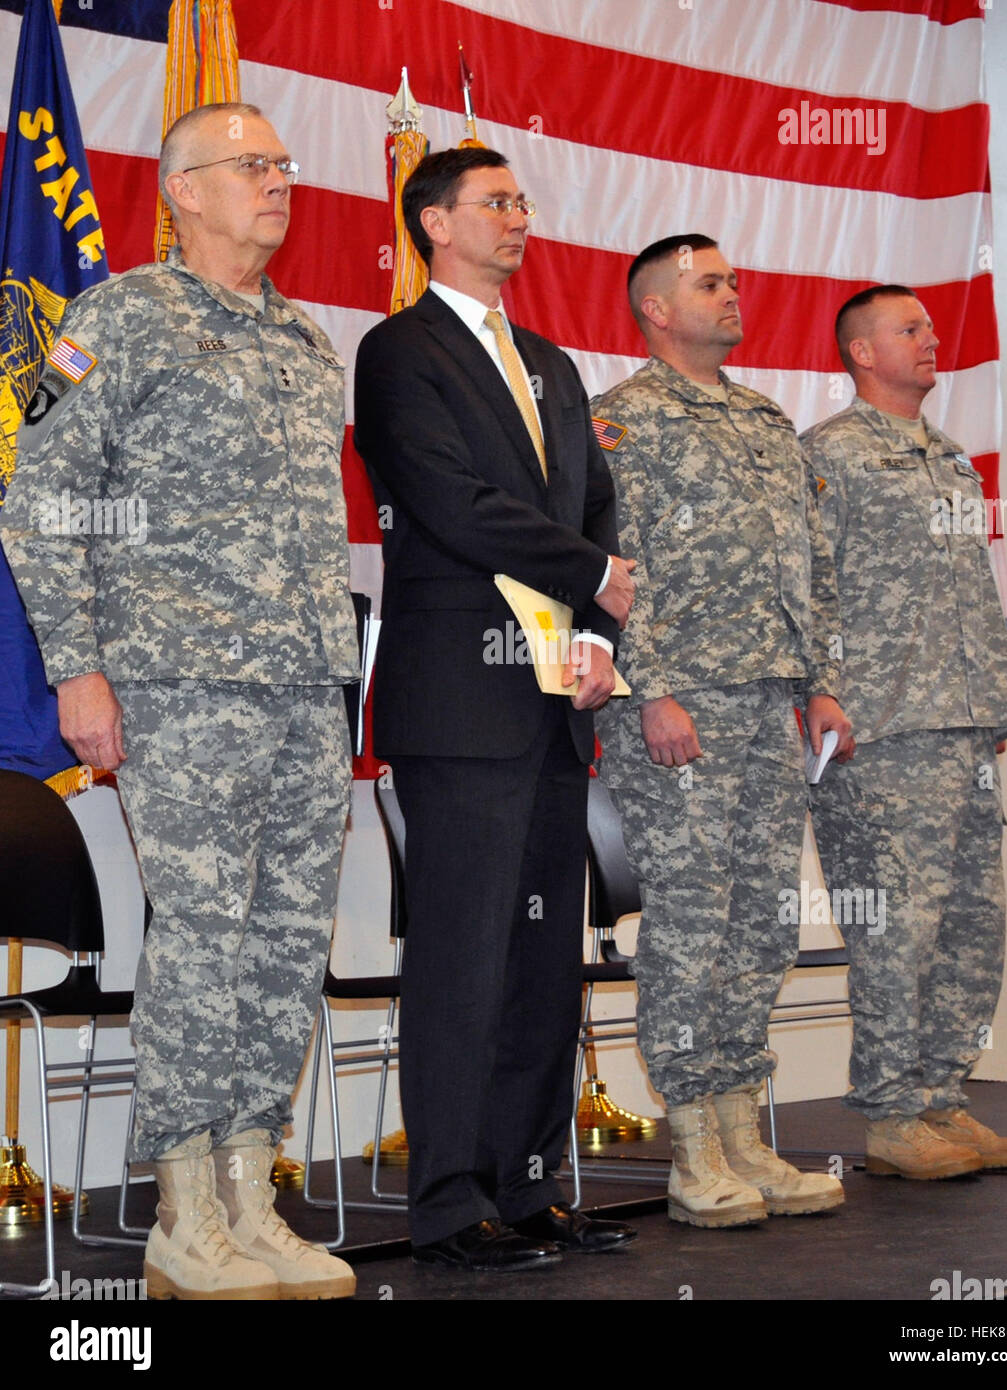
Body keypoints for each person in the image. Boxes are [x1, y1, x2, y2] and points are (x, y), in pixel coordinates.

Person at [1, 103, 360, 1299]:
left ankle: (253, 1197)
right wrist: (77, 665)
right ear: (184, 190)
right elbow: (42, 495)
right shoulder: (120, 318)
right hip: (181, 683)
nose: (277, 181)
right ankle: (182, 1212)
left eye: (282, 164)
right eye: (251, 166)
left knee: (284, 947)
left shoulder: (307, 340)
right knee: (202, 942)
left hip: (309, 689)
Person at [353, 147, 637, 1271]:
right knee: (464, 956)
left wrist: (602, 637)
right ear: (433, 223)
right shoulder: (397, 352)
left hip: (555, 701)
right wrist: (592, 576)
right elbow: (448, 500)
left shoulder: (554, 365)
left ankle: (525, 1186)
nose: (519, 218)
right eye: (495, 203)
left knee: (537, 964)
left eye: (523, 202)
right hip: (461, 699)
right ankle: (447, 1201)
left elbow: (600, 514)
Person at [591, 234, 852, 1228]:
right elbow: (618, 566)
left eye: (733, 280)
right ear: (657, 308)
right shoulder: (624, 421)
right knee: (694, 923)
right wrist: (651, 688)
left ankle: (746, 1129)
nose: (733, 294)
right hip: (682, 704)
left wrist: (820, 683)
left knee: (763, 920)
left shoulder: (762, 416)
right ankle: (694, 1142)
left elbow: (806, 567)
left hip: (767, 704)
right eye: (711, 283)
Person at [799, 285, 1007, 1178]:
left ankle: (943, 1097)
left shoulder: (949, 456)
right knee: (897, 925)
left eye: (931, 327)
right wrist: (822, 690)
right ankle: (895, 1117)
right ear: (861, 352)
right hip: (882, 730)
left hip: (962, 728)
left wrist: (992, 706)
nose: (932, 339)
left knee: (974, 922)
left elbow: (974, 591)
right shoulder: (832, 455)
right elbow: (808, 582)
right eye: (911, 329)